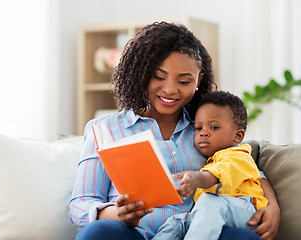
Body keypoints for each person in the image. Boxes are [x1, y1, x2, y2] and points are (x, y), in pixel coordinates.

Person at [69, 21, 280, 240]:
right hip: (132, 233)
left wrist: (273, 207)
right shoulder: (103, 129)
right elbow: (80, 204)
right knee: (97, 233)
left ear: (199, 81)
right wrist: (118, 214)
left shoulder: (205, 129)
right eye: (159, 77)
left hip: (195, 233)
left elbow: (247, 170)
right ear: (141, 73)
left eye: (184, 81)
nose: (170, 89)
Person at [153, 90, 268, 240]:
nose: (204, 133)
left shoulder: (238, 155)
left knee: (210, 201)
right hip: (216, 213)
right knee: (177, 222)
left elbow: (215, 175)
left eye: (213, 127)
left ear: (237, 136)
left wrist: (196, 179)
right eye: (199, 128)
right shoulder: (212, 158)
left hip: (246, 210)